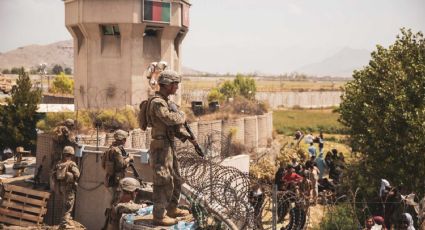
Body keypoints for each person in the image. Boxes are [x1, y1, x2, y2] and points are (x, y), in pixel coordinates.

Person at [148, 70, 195, 226]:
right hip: (161, 147)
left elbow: (172, 127)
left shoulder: (166, 101)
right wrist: (182, 115)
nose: (177, 87)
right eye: (175, 84)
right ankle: (159, 216)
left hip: (168, 144)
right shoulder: (157, 102)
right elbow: (169, 119)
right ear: (167, 84)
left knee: (176, 178)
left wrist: (184, 135)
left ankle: (172, 208)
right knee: (162, 180)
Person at [51, 146, 80, 229]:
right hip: (68, 188)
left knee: (64, 204)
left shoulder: (59, 163)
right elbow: (77, 174)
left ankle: (65, 220)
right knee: (68, 205)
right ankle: (65, 222)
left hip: (60, 187)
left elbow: (53, 175)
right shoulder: (71, 163)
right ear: (71, 154)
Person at [102, 129, 132, 205]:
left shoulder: (111, 148)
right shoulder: (117, 150)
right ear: (123, 140)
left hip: (111, 178)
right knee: (116, 200)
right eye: (125, 139)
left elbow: (103, 165)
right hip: (117, 180)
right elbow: (121, 164)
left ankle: (111, 215)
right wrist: (129, 158)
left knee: (114, 199)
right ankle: (113, 216)